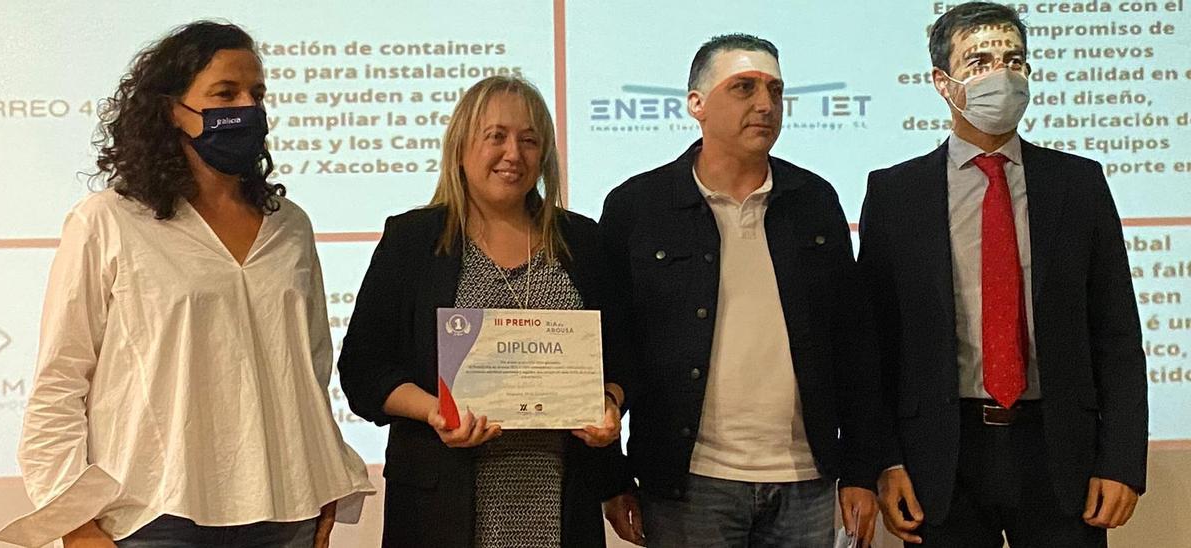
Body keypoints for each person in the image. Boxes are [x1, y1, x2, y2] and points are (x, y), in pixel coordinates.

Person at [0, 21, 373, 548]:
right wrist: (74, 526)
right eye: (225, 93)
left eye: (256, 94)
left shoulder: (290, 225)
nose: (248, 107)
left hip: (287, 510)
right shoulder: (109, 220)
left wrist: (327, 483)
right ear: (172, 108)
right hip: (153, 514)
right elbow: (60, 380)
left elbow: (308, 370)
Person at [860, 3, 1148, 546]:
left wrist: (1123, 459)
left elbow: (1116, 333)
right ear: (942, 83)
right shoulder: (896, 193)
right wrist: (884, 460)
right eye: (980, 60)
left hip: (1060, 450)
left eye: (1015, 60)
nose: (1002, 75)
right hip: (941, 456)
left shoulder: (1078, 184)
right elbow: (876, 345)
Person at [598, 34, 881, 548]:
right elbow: (612, 349)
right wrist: (613, 477)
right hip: (689, 481)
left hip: (805, 479)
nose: (765, 104)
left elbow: (854, 345)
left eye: (775, 90)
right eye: (744, 88)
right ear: (697, 105)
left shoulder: (814, 201)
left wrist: (861, 469)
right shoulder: (638, 207)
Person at [336, 75, 628, 548]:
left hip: (559, 504)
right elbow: (363, 371)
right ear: (460, 147)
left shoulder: (582, 242)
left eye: (529, 140)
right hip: (440, 510)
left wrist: (609, 404)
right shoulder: (413, 241)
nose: (513, 153)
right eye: (496, 136)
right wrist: (436, 412)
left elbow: (620, 358)